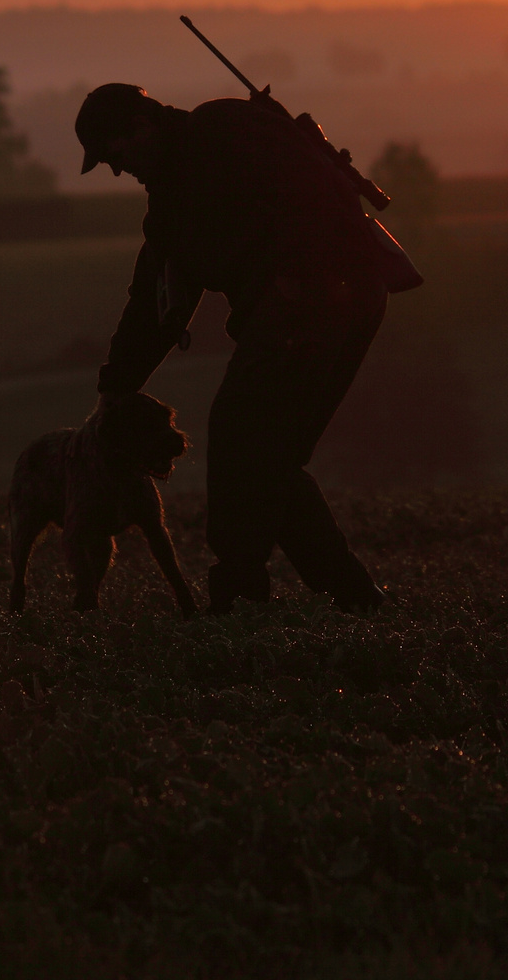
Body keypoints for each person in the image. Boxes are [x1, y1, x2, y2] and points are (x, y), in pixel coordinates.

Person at [76, 82, 399, 615]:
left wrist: (297, 278)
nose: (117, 170)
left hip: (310, 307)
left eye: (114, 155)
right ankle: (355, 599)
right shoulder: (182, 180)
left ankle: (240, 595)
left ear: (140, 127)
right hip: (342, 301)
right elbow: (154, 301)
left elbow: (304, 196)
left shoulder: (219, 138)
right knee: (269, 458)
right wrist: (117, 382)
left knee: (237, 437)